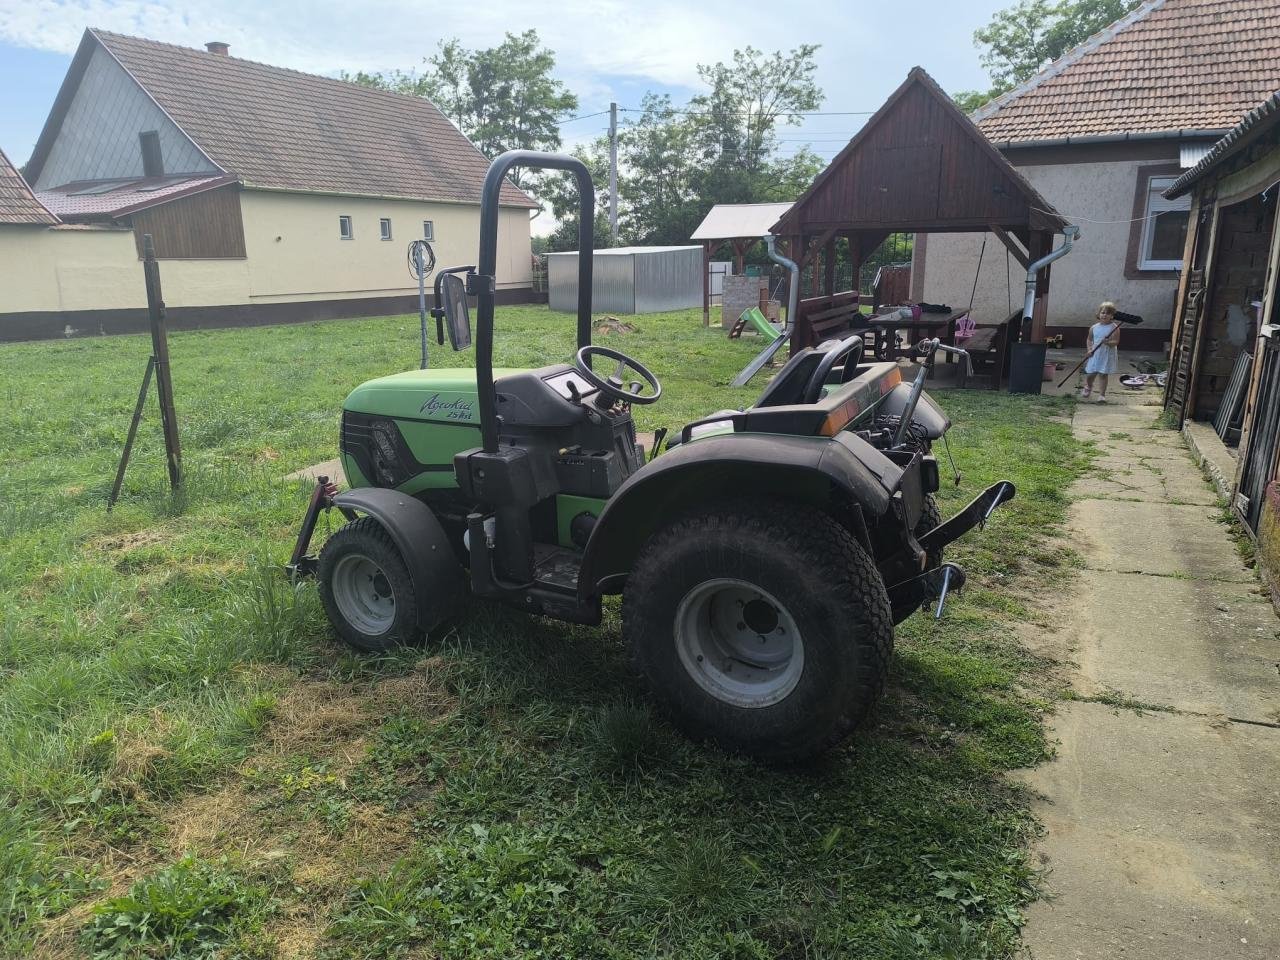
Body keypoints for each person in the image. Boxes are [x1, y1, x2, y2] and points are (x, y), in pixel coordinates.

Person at [1082, 302, 1120, 401]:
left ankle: (1102, 395)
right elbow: (1089, 340)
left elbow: (1116, 342)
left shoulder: (1114, 328)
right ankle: (1088, 386)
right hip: (1095, 353)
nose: (1104, 315)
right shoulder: (1094, 327)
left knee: (1103, 374)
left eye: (1108, 313)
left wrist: (1108, 342)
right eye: (1103, 312)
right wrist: (1089, 349)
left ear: (1112, 316)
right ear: (1099, 314)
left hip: (1107, 354)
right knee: (1091, 374)